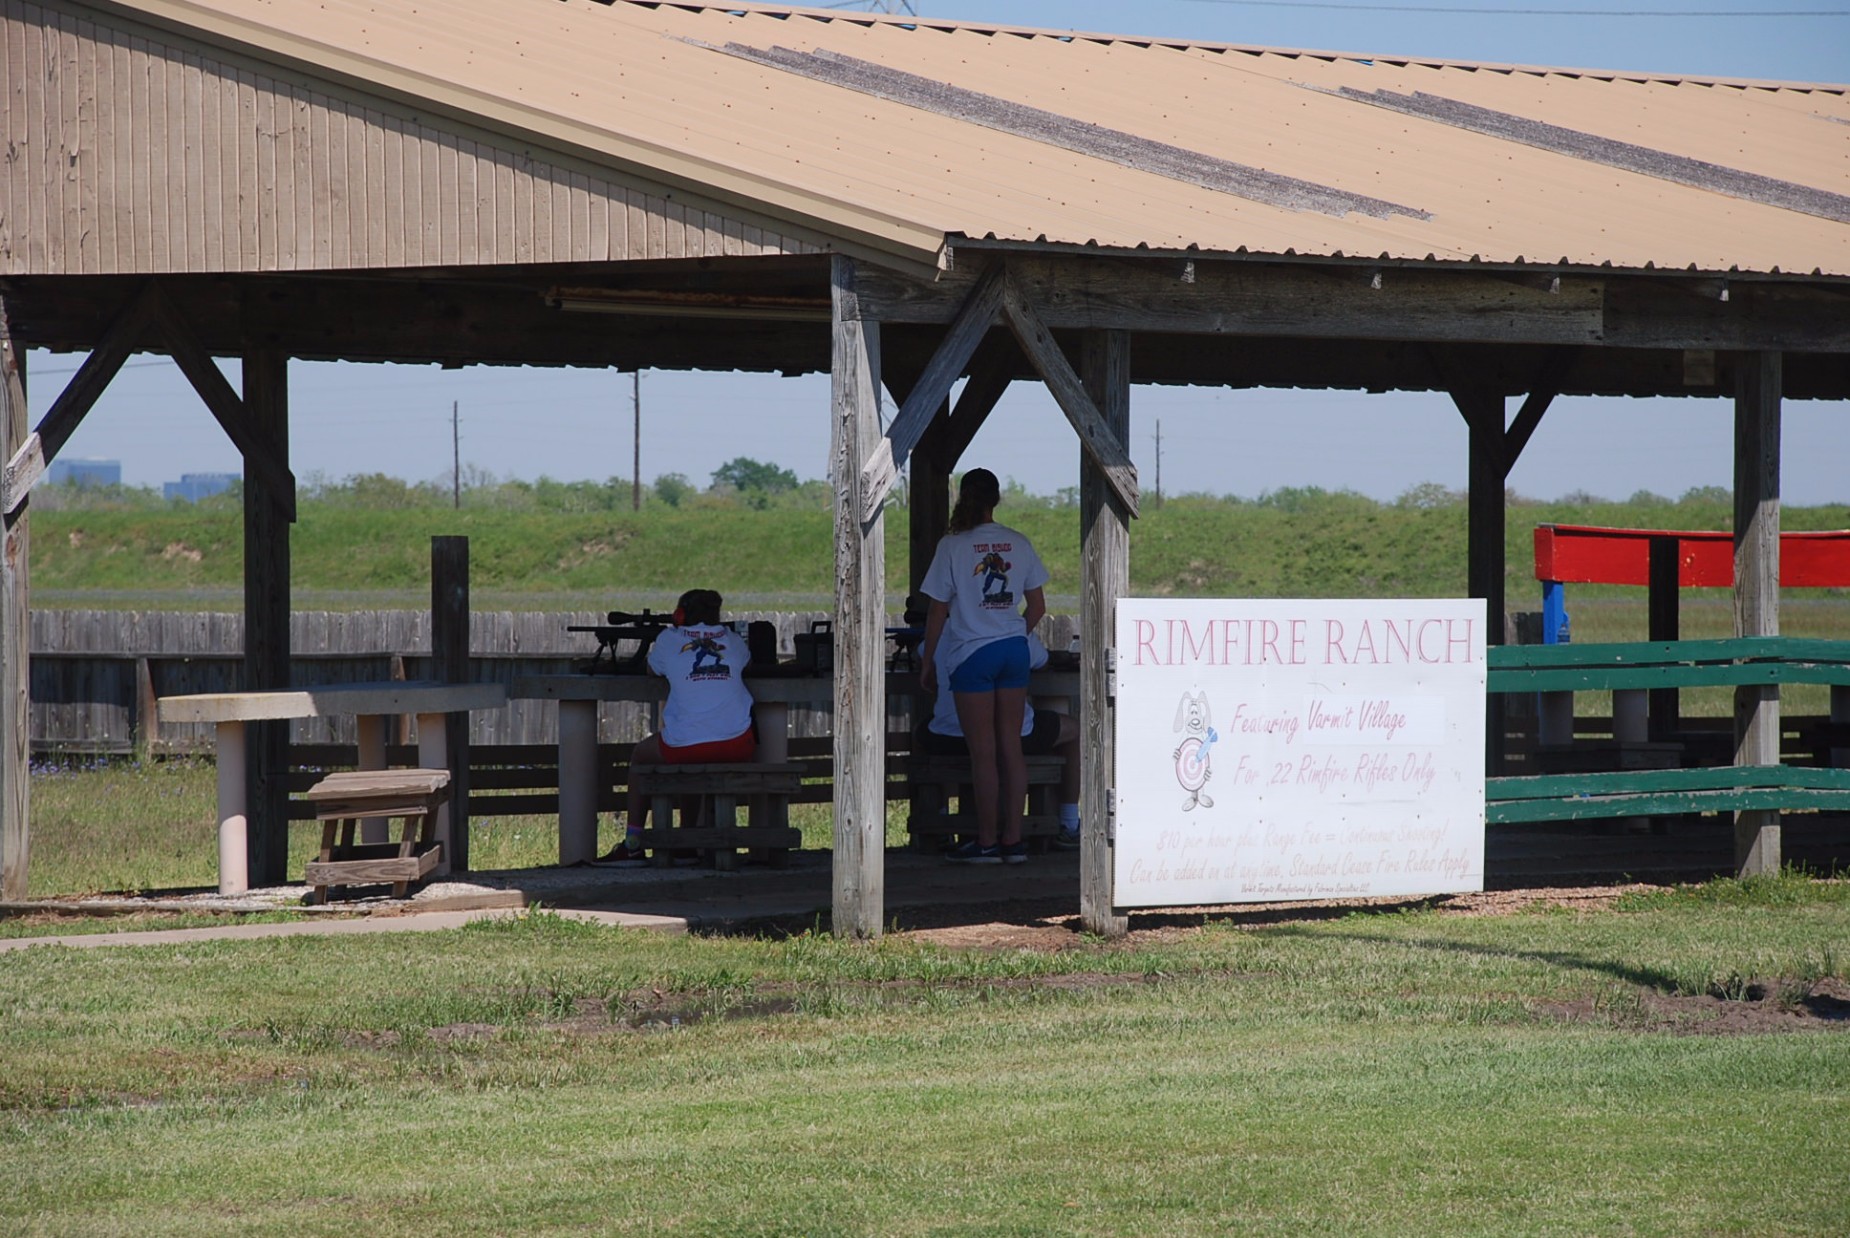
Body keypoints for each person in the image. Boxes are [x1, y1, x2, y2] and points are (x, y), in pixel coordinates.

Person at [917, 468, 1052, 864]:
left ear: (963, 498)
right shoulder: (1019, 543)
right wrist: (1012, 631)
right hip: (1013, 649)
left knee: (983, 753)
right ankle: (1015, 841)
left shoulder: (952, 546)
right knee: (1012, 748)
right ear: (997, 499)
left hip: (972, 655)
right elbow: (1039, 606)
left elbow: (937, 612)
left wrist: (928, 663)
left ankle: (988, 841)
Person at [595, 588, 754, 866]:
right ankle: (687, 842)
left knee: (641, 756)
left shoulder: (669, 639)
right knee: (689, 749)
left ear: (679, 615)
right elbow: (744, 663)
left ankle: (632, 844)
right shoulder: (733, 639)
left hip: (686, 746)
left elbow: (651, 669)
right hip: (739, 742)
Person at [915, 630, 1083, 852]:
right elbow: (1041, 662)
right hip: (1015, 735)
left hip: (948, 738)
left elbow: (921, 655)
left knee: (921, 732)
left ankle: (938, 817)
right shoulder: (1014, 630)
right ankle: (1068, 822)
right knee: (1072, 730)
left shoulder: (944, 632)